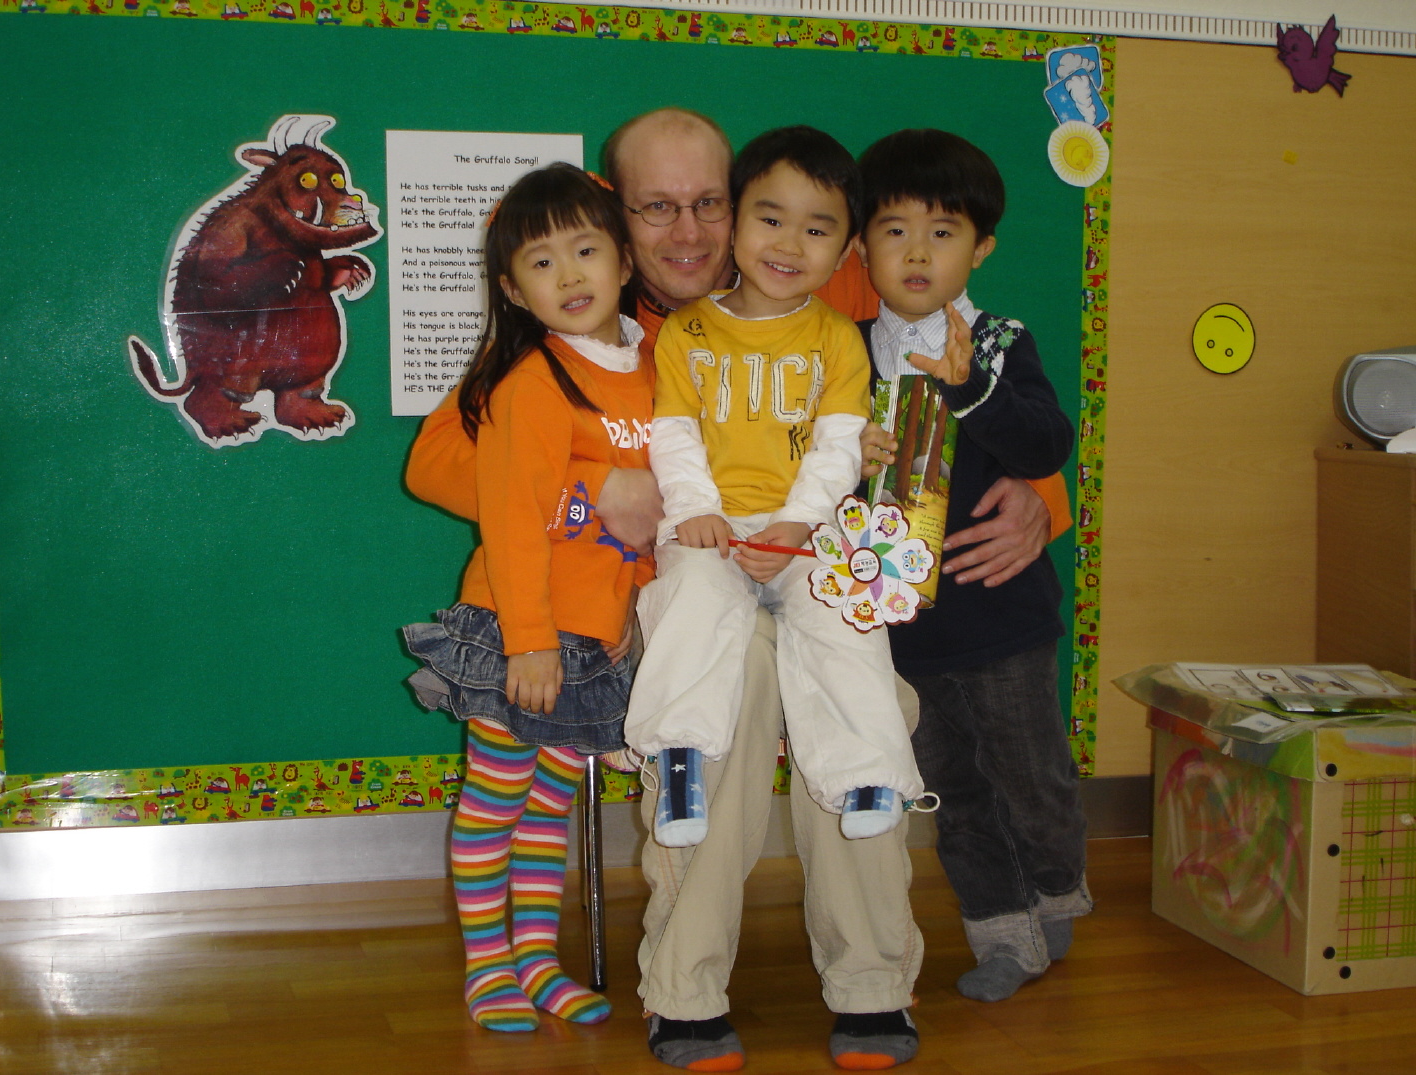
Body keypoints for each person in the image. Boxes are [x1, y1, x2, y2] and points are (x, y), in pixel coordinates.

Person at [404, 108, 1067, 1071]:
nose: (688, 231)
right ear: (616, 216)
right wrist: (592, 488)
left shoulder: (818, 274)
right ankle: (684, 983)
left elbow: (944, 369)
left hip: (809, 564)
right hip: (675, 590)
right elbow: (435, 462)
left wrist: (1044, 495)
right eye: (656, 207)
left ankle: (872, 977)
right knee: (731, 691)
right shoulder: (591, 321)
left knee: (862, 698)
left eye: (708, 203)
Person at [399, 163, 652, 1033]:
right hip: (521, 631)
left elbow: (652, 517)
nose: (570, 274)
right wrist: (529, 639)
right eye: (542, 263)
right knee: (495, 797)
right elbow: (511, 520)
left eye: (586, 250)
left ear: (624, 260)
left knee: (550, 804)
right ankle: (488, 966)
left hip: (592, 637)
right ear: (512, 290)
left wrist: (630, 614)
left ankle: (538, 962)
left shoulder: (653, 370)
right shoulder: (531, 380)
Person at [625, 125, 924, 852]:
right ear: (735, 224)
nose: (789, 245)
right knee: (690, 601)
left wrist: (799, 523)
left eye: (816, 230)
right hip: (712, 523)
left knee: (846, 621)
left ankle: (868, 775)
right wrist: (695, 509)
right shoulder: (687, 331)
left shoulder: (837, 338)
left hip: (803, 527)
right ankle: (680, 760)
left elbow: (838, 444)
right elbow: (674, 433)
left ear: (845, 251)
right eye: (770, 220)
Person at [854, 128, 1090, 1003]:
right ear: (860, 246)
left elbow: (1045, 442)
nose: (917, 252)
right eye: (894, 230)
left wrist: (969, 392)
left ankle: (1056, 887)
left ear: (980, 247)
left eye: (943, 232)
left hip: (1002, 616)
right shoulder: (841, 349)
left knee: (1031, 775)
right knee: (950, 789)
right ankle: (1000, 932)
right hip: (904, 630)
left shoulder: (997, 342)